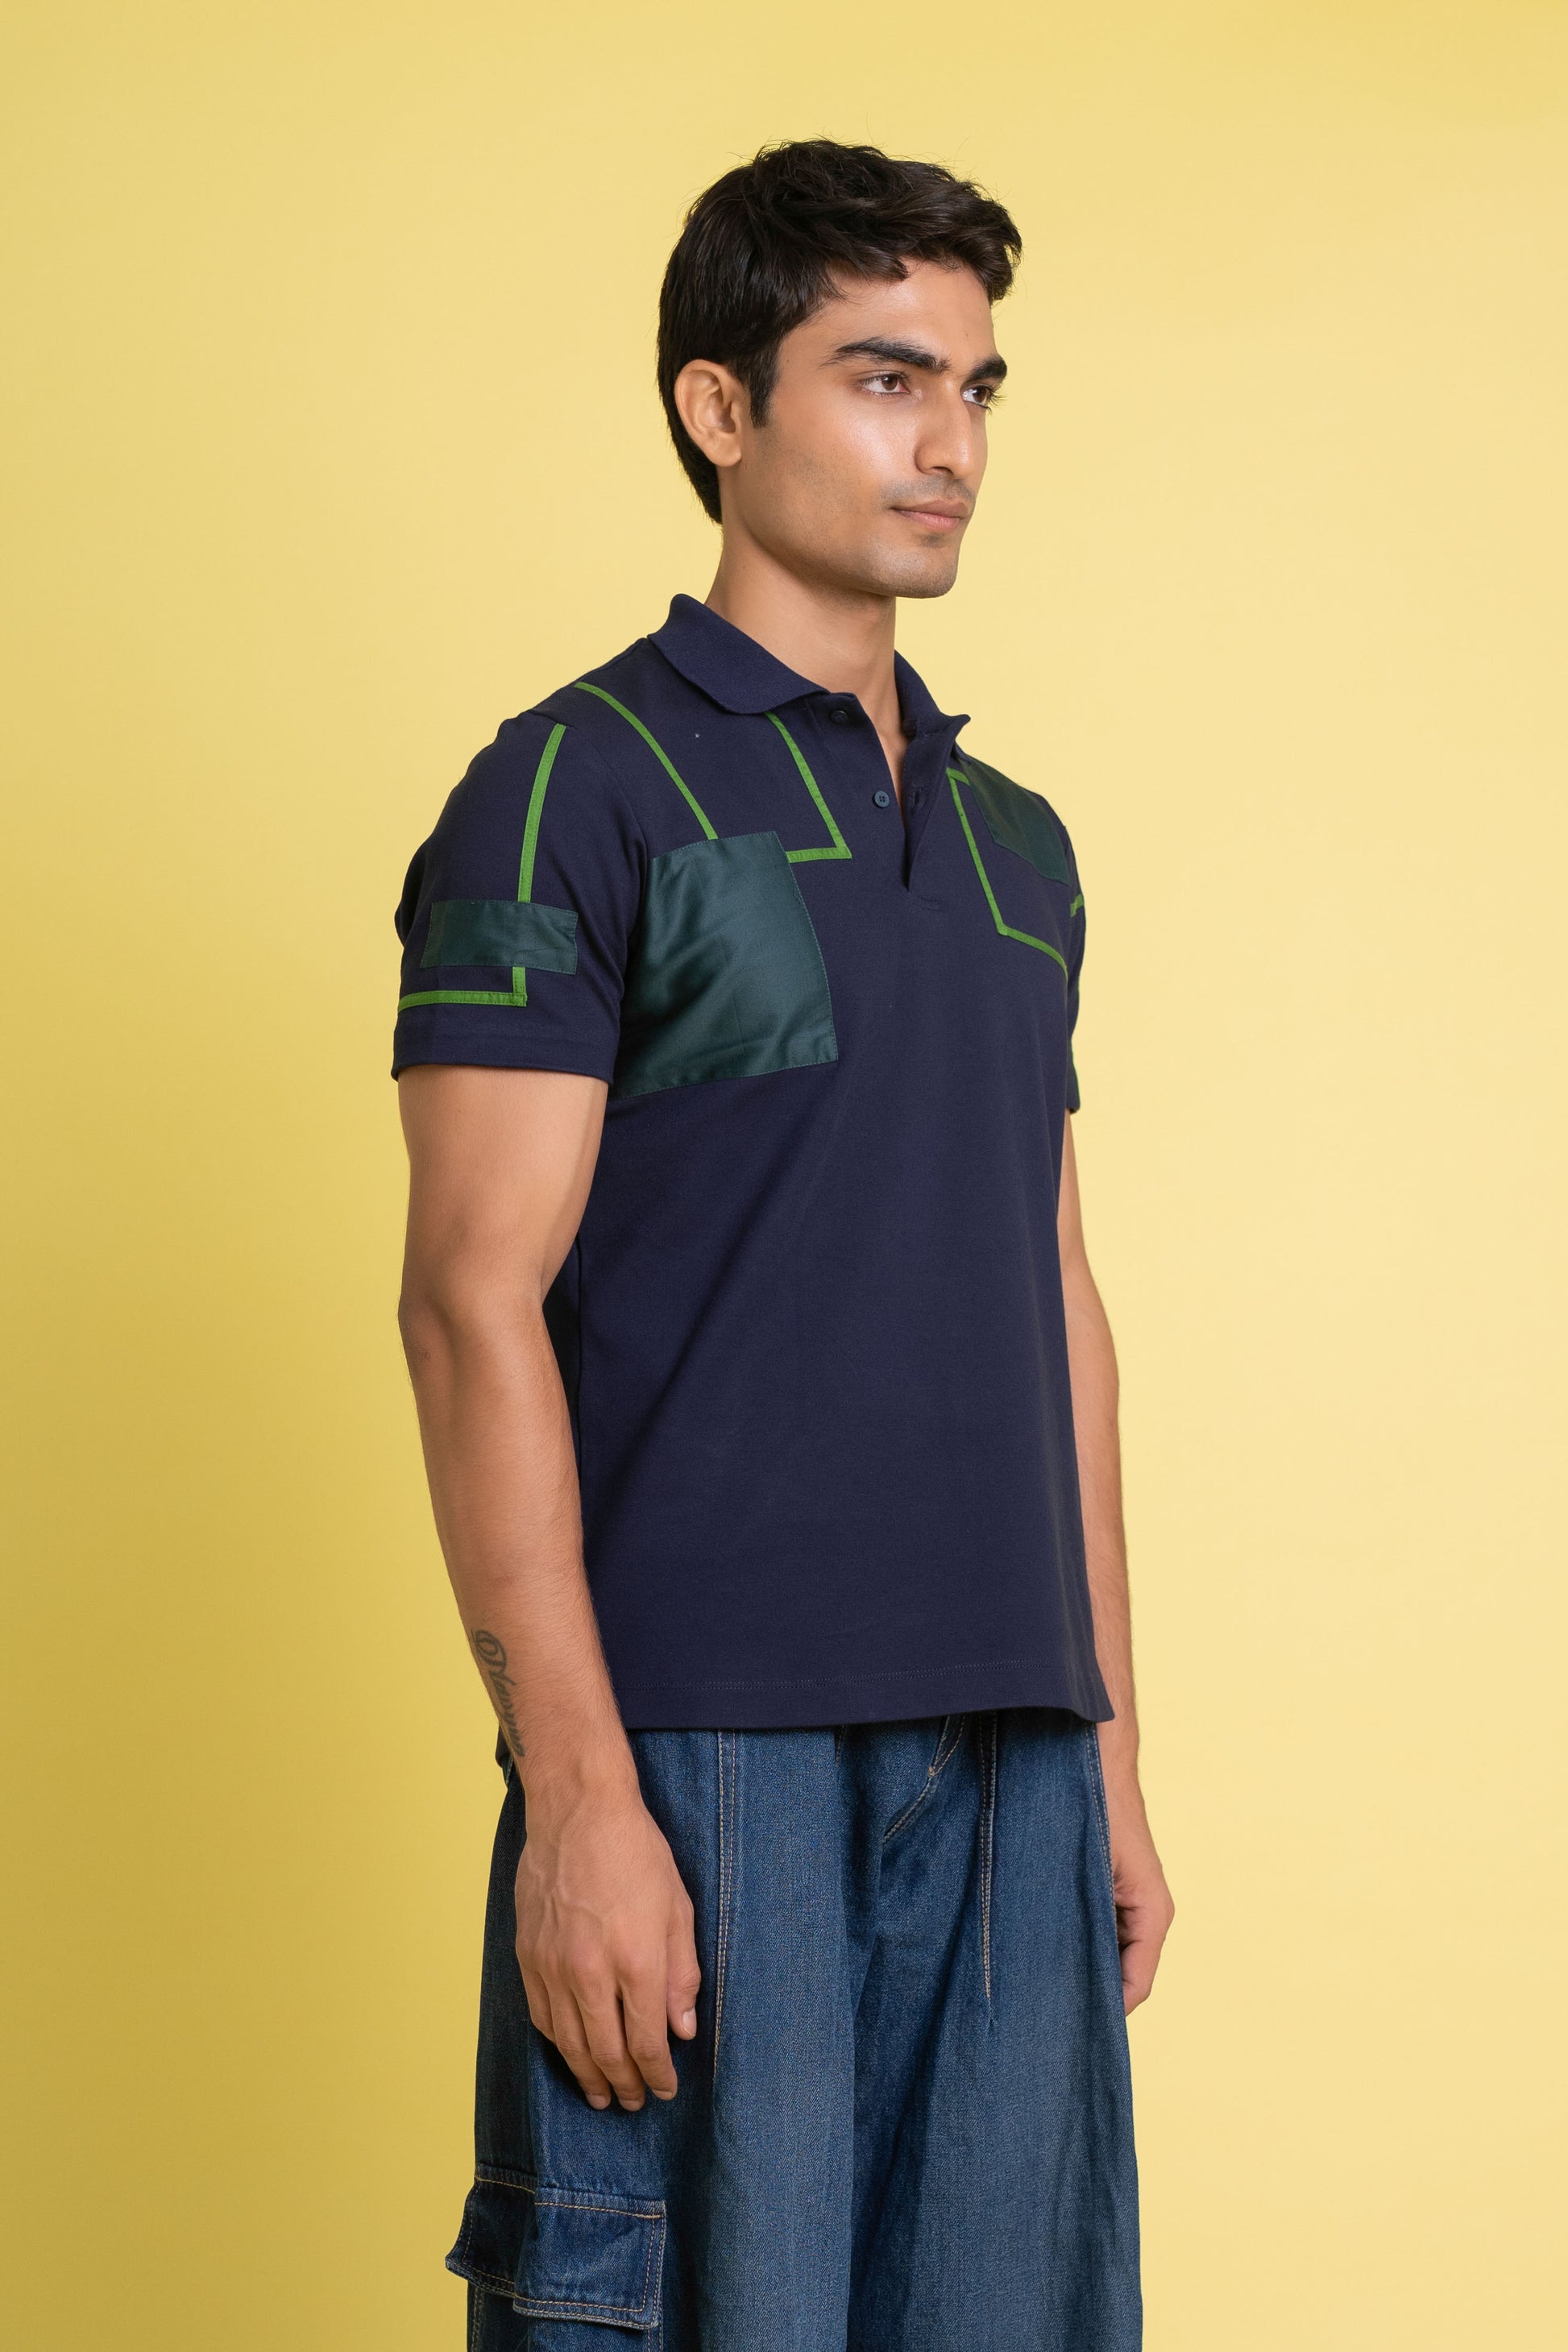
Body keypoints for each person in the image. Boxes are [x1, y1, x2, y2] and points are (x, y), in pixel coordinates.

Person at [393, 137, 1172, 2352]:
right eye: (884, 378)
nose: (950, 446)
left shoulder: (1019, 844)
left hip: (1008, 1749)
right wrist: (578, 1797)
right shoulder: (574, 787)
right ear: (719, 409)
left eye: (977, 389)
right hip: (706, 1743)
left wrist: (1111, 1758)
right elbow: (467, 1304)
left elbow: (1055, 1299)